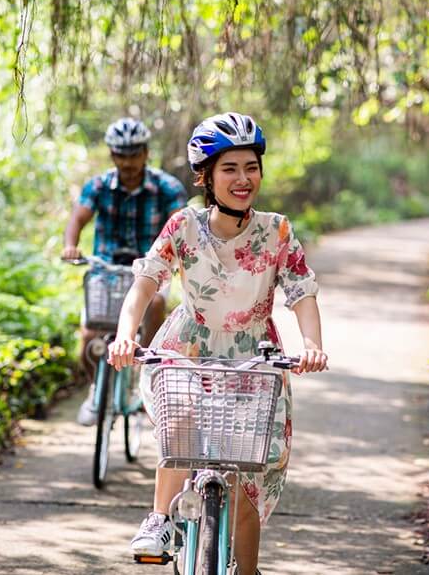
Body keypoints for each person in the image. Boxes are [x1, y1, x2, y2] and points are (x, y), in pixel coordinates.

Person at [108, 112, 328, 575]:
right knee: (179, 425)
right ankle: (159, 519)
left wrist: (312, 344)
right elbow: (144, 285)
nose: (243, 179)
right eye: (229, 169)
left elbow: (302, 292)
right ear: (206, 177)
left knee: (248, 477)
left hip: (255, 356)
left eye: (251, 167)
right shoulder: (184, 226)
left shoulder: (277, 230)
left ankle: (246, 570)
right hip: (189, 347)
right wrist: (125, 335)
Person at [62, 117, 188, 426]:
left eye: (134, 154)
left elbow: (183, 228)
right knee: (90, 338)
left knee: (156, 302)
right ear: (112, 155)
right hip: (107, 270)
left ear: (146, 153)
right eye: (121, 154)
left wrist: (184, 258)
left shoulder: (166, 187)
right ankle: (97, 390)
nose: (127, 161)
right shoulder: (99, 186)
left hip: (151, 269)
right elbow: (78, 220)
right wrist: (70, 246)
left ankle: (144, 364)